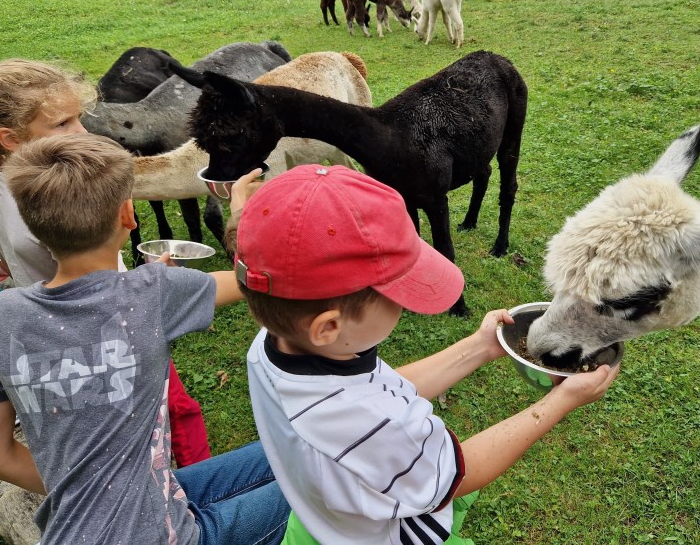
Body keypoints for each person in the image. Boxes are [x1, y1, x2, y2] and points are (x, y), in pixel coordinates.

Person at [229, 164, 620, 545]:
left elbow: (383, 390)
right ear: (328, 327)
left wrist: (479, 348)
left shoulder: (271, 347)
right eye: (398, 295)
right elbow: (458, 474)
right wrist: (559, 401)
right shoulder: (376, 425)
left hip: (321, 520)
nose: (405, 305)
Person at [0, 134, 290, 544]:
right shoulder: (154, 292)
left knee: (287, 453)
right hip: (162, 536)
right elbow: (258, 280)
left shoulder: (4, 313)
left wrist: (89, 490)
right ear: (128, 214)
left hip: (78, 527)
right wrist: (242, 213)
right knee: (327, 478)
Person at [0, 58, 210, 466]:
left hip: (68, 335)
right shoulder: (49, 205)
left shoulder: (9, 185)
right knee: (177, 411)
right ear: (10, 137)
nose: (82, 132)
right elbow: (100, 290)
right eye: (63, 124)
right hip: (112, 333)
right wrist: (153, 281)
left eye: (79, 119)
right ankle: (191, 488)